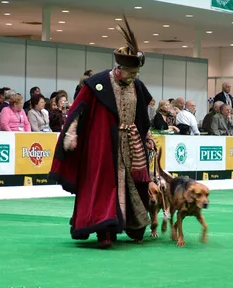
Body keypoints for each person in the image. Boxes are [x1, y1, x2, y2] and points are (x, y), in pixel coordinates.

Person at [49, 16, 155, 249]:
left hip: (130, 143)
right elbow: (78, 111)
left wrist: (147, 136)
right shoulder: (96, 83)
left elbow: (142, 115)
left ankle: (130, 225)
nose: (135, 77)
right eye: (132, 73)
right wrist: (71, 133)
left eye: (137, 73)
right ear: (119, 69)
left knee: (132, 183)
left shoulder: (136, 85)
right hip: (103, 145)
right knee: (103, 185)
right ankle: (103, 229)